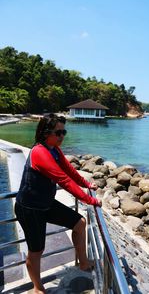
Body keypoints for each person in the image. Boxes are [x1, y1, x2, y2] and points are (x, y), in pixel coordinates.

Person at [15, 113, 101, 294]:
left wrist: (86, 184)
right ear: (46, 132)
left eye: (64, 132)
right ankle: (37, 288)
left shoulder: (54, 149)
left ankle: (84, 263)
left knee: (80, 223)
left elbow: (69, 171)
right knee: (36, 250)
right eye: (58, 132)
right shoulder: (40, 152)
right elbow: (63, 180)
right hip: (30, 208)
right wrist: (90, 200)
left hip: (45, 203)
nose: (62, 136)